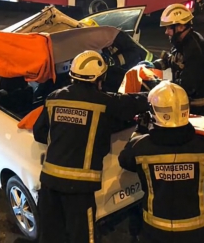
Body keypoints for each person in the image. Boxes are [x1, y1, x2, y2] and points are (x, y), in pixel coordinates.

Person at [33, 50, 150, 243]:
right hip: (78, 189)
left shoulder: (54, 98)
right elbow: (131, 103)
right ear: (100, 78)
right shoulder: (104, 102)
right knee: (83, 237)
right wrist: (152, 95)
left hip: (49, 183)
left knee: (52, 235)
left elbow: (40, 132)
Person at [118, 80, 204, 243]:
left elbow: (125, 160)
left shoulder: (141, 147)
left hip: (155, 231)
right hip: (199, 232)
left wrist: (140, 130)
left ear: (153, 112)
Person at [152, 4, 204, 118]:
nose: (166, 32)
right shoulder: (181, 40)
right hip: (192, 103)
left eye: (169, 28)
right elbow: (174, 59)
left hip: (203, 108)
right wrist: (154, 65)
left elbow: (187, 85)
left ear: (181, 27)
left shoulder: (195, 50)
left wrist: (159, 85)